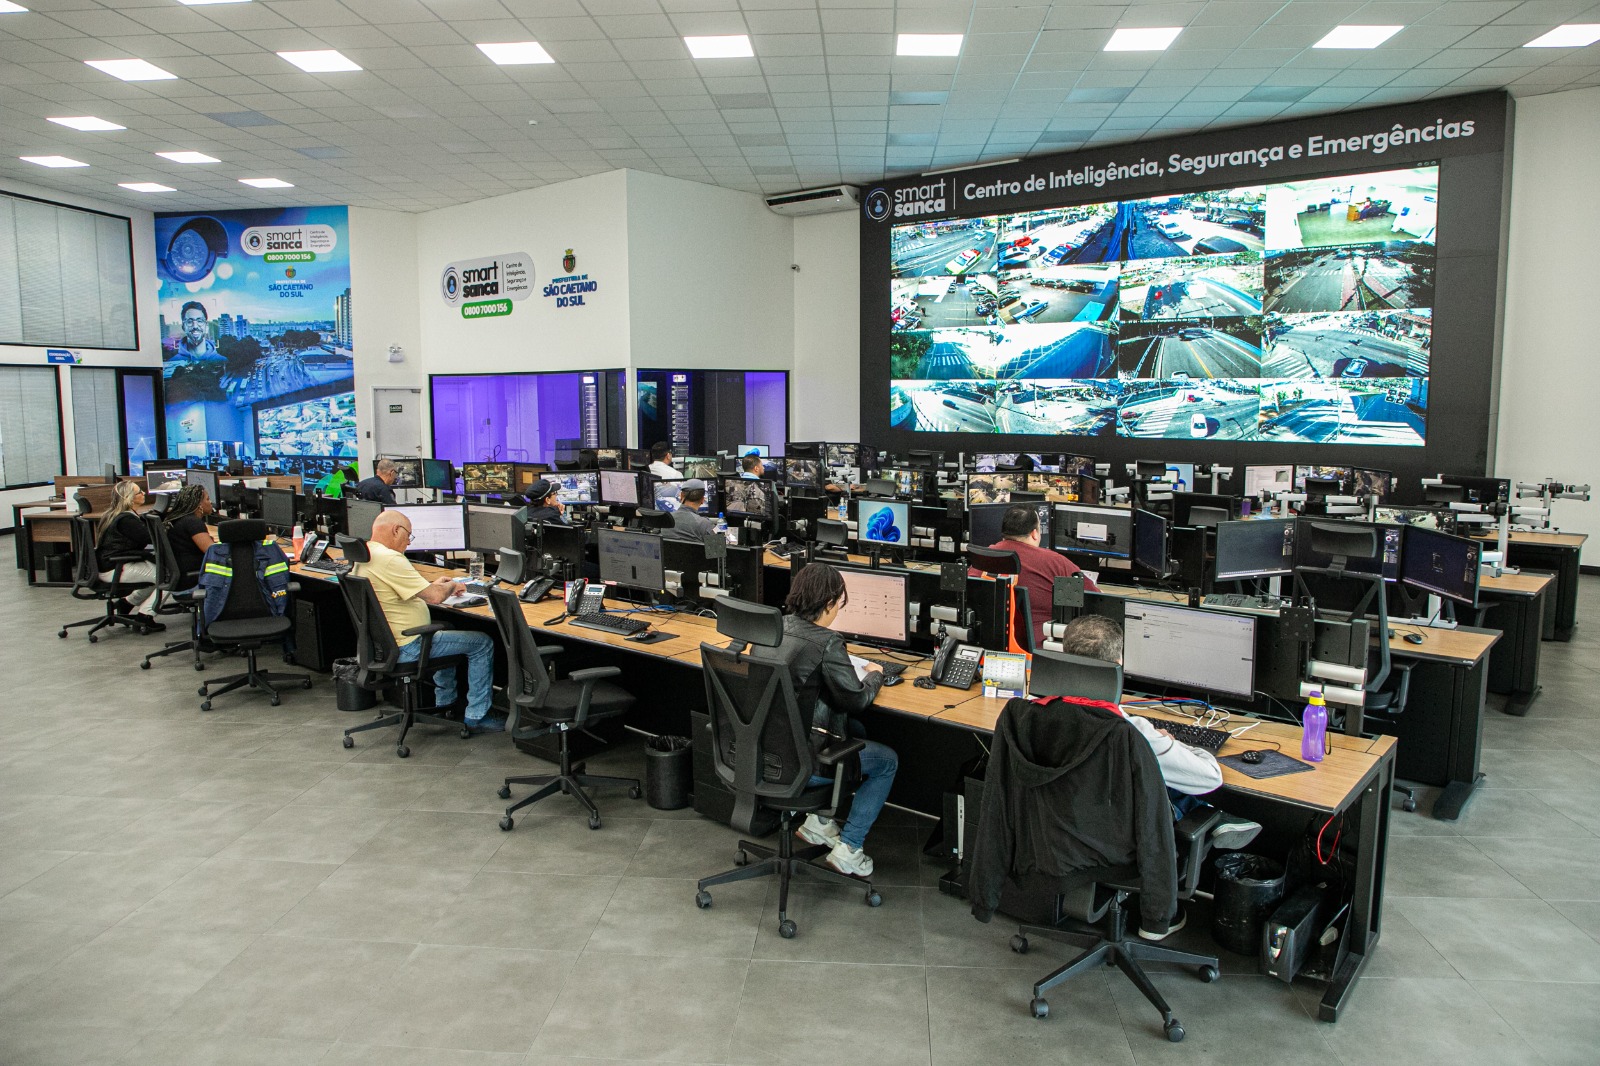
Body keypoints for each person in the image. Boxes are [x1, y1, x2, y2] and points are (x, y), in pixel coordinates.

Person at [1056, 613, 1262, 937]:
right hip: (1125, 849)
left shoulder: (1037, 713)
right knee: (1158, 784)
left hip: (1061, 837)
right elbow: (1210, 777)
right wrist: (1175, 743)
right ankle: (1207, 819)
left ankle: (1207, 815)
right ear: (1118, 663)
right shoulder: (1132, 731)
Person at [755, 562, 898, 877]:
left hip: (762, 754)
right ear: (830, 603)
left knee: (855, 730)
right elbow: (857, 699)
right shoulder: (828, 642)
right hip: (805, 764)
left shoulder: (772, 627)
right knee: (887, 761)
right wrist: (875, 674)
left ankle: (819, 822)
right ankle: (850, 848)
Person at [356, 510, 503, 732]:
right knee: (482, 643)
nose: (409, 542)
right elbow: (434, 597)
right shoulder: (391, 558)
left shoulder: (366, 554)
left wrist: (433, 585)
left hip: (383, 646)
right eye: (409, 535)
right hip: (408, 645)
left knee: (447, 627)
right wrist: (453, 585)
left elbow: (409, 590)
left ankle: (445, 703)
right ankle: (477, 716)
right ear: (396, 530)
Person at [973, 504, 1098, 646]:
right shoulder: (1054, 562)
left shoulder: (982, 557)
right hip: (1039, 649)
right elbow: (1095, 599)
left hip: (985, 644)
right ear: (1034, 533)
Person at [94, 480, 162, 627]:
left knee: (159, 572)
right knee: (168, 577)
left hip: (111, 564)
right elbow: (151, 539)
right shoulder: (126, 520)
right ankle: (145, 616)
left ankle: (126, 603)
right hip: (115, 567)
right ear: (129, 498)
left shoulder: (115, 514)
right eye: (139, 492)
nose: (143, 493)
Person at [162, 483, 215, 589]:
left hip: (179, 578)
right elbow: (212, 552)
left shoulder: (178, 519)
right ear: (198, 504)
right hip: (192, 581)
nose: (211, 502)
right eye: (208, 499)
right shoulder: (192, 522)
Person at [174, 300, 223, 367]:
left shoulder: (223, 361)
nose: (195, 326)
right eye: (189, 321)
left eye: (199, 321)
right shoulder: (172, 363)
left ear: (206, 327)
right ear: (183, 327)